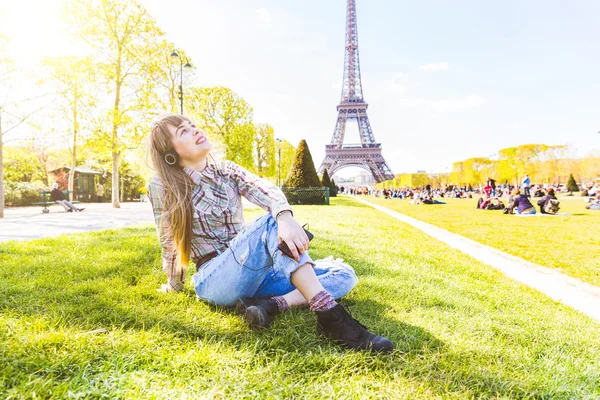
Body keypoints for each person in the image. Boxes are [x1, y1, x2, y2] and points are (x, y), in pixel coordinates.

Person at [147, 114, 393, 353]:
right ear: (171, 154)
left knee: (344, 274)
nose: (195, 130)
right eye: (184, 131)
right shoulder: (162, 186)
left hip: (257, 275)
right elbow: (168, 241)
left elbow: (263, 188)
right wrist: (174, 284)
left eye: (193, 125)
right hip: (215, 278)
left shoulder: (226, 170)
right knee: (269, 222)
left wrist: (284, 216)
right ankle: (330, 316)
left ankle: (269, 305)